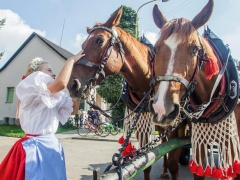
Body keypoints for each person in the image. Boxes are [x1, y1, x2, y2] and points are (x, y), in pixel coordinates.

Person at [0, 50, 85, 180]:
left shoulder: (50, 95)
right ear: (36, 73)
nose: (53, 73)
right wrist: (70, 61)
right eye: (49, 70)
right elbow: (61, 83)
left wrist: (78, 93)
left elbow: (73, 110)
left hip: (51, 144)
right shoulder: (34, 84)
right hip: (35, 148)